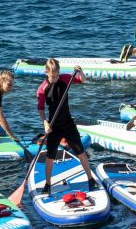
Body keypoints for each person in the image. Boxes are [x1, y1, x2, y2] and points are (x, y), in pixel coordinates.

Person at [37, 59, 98, 195]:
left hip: (68, 123)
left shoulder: (65, 79)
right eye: (52, 76)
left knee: (80, 151)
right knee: (50, 156)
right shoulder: (42, 89)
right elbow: (40, 108)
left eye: (57, 75)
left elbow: (83, 80)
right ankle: (48, 184)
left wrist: (80, 71)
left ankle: (90, 179)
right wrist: (45, 123)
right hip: (53, 125)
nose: (55, 78)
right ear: (46, 73)